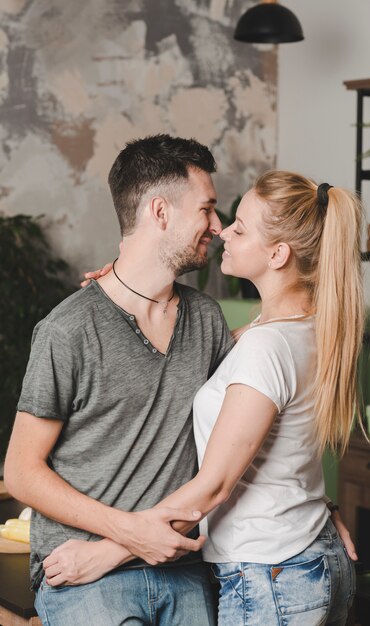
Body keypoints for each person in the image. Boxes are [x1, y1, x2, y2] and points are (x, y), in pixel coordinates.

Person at [37, 170, 363, 625]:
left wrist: (107, 554)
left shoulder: (264, 347)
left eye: (240, 228)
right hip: (305, 553)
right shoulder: (299, 329)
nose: (222, 230)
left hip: (270, 574)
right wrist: (121, 290)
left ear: (278, 253)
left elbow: (214, 486)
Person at [4, 134, 235, 626]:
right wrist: (130, 533)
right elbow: (21, 473)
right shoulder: (69, 329)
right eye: (208, 209)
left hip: (183, 568)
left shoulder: (208, 321)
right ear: (160, 212)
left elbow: (249, 430)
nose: (218, 225)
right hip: (84, 573)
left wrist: (323, 508)